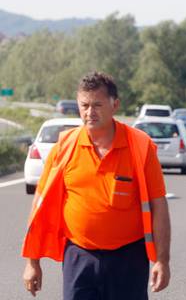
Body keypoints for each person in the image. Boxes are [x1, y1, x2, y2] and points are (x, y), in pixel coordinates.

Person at [22, 72, 171, 299]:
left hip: (128, 258)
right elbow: (39, 205)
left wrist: (162, 260)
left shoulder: (141, 147)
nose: (90, 112)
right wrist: (32, 263)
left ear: (115, 105)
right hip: (78, 256)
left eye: (98, 105)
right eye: (84, 105)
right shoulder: (64, 147)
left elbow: (158, 206)